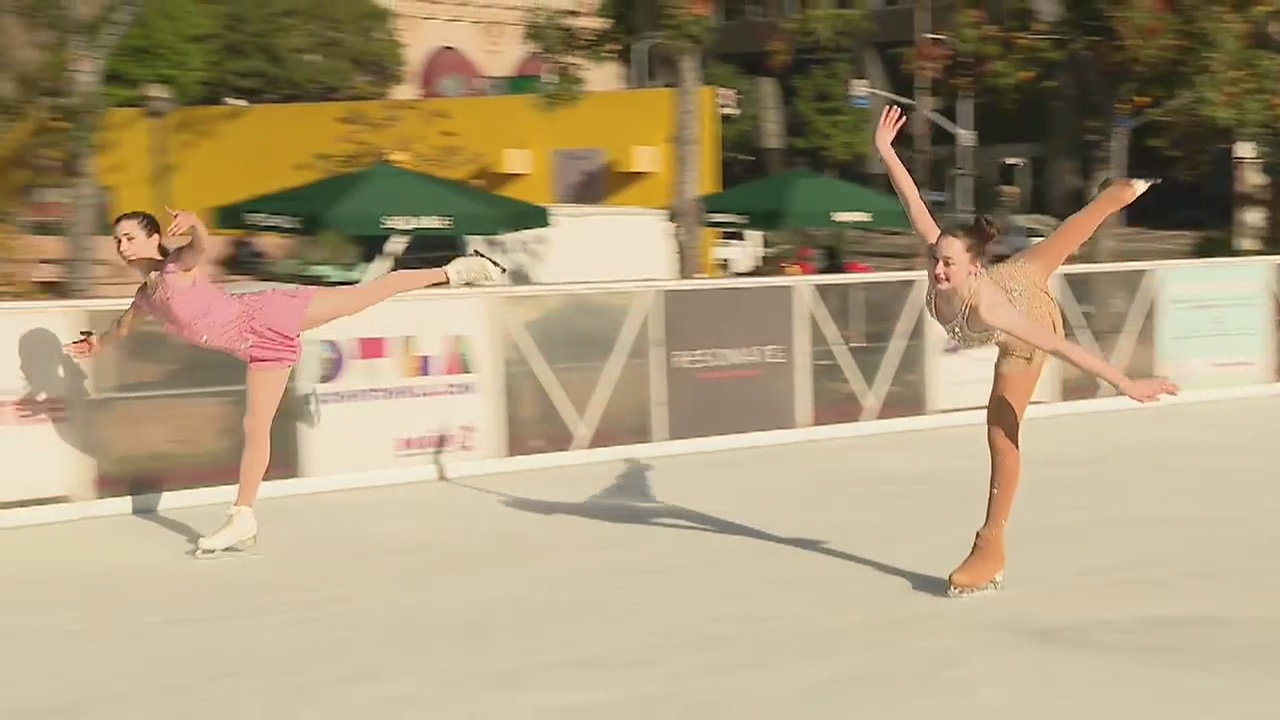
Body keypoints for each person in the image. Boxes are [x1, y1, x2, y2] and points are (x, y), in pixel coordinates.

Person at [63, 209, 505, 557]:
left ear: (153, 238)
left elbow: (200, 244)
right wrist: (95, 344)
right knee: (255, 427)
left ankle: (456, 271)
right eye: (117, 240)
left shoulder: (177, 266)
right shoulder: (147, 296)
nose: (121, 246)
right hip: (258, 349)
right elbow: (122, 326)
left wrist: (195, 222)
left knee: (363, 294)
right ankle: (243, 516)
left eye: (129, 237)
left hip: (269, 314)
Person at [873, 105, 1178, 597]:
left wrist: (1127, 384)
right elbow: (912, 201)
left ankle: (989, 546)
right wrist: (885, 150)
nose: (937, 270)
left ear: (973, 268)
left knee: (1000, 432)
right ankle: (1118, 193)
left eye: (948, 263)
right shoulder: (946, 261)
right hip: (1016, 275)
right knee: (1067, 235)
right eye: (935, 260)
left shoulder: (991, 309)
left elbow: (1058, 345)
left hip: (1028, 320)